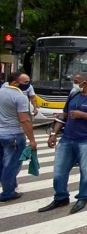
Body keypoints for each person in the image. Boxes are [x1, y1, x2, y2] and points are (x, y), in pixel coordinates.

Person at [39, 72, 87, 214]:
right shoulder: (73, 95)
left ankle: (82, 197)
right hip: (66, 139)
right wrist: (53, 134)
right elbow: (64, 115)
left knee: (85, 171)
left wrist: (83, 115)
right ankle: (61, 197)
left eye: (77, 81)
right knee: (59, 172)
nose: (75, 83)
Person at [0, 72, 38, 202]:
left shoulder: (1, 90)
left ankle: (10, 185)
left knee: (2, 163)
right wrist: (32, 140)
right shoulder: (19, 97)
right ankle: (8, 192)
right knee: (12, 165)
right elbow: (25, 121)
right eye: (26, 82)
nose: (28, 84)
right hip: (14, 135)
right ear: (15, 83)